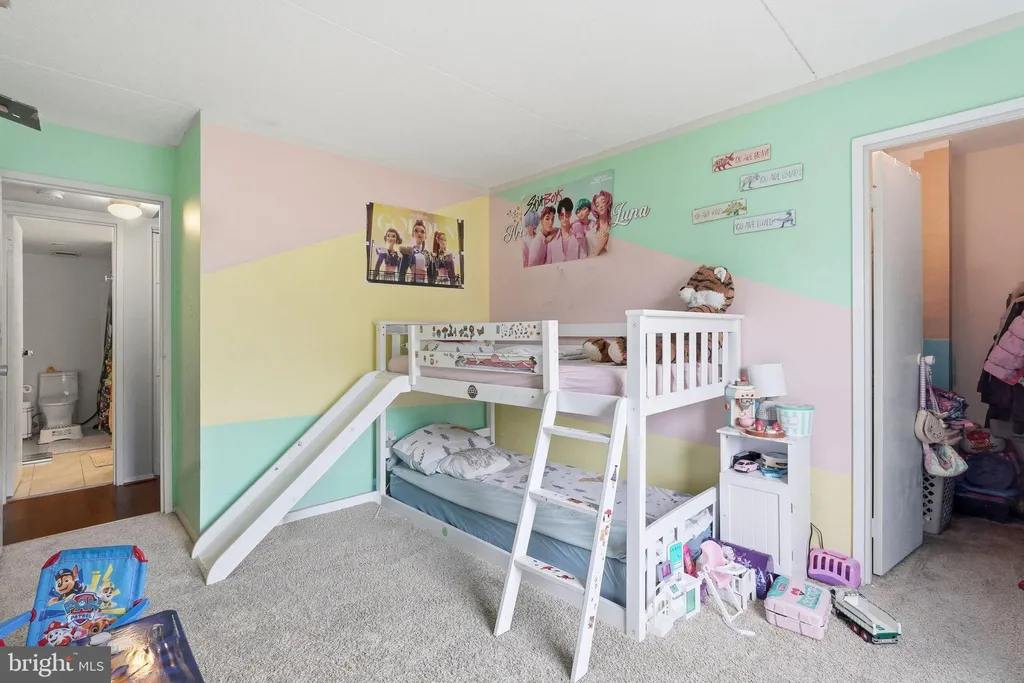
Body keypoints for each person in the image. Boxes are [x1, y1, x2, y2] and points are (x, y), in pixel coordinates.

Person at [547, 196, 588, 263]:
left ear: (571, 214)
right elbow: (548, 265)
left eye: (567, 215)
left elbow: (585, 259)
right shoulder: (551, 241)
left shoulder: (578, 234)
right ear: (558, 217)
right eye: (562, 215)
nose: (564, 218)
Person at [587, 189, 612, 257]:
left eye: (603, 202)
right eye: (597, 205)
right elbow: (588, 260)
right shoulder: (589, 235)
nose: (600, 206)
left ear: (608, 204)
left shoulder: (616, 228)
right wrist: (599, 246)